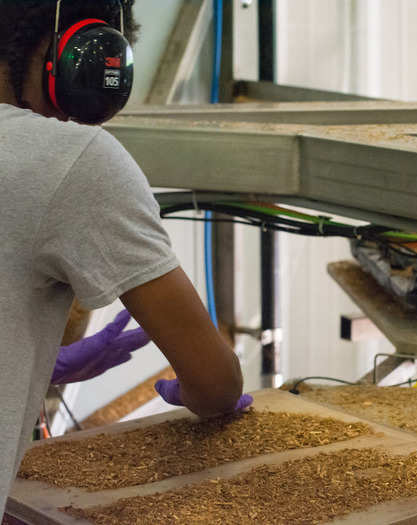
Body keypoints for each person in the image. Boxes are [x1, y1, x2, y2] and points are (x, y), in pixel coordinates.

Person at [0, 0, 249, 513]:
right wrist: (201, 392)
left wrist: (41, 366)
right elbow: (216, 380)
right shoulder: (72, 158)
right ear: (69, 55)